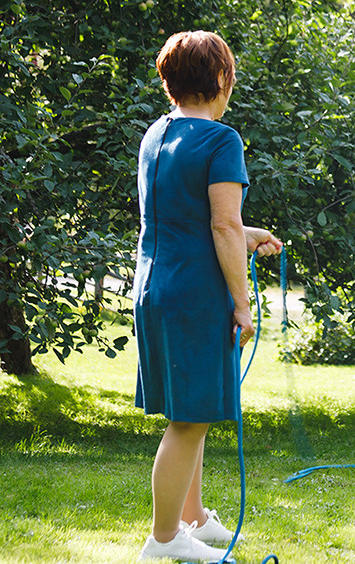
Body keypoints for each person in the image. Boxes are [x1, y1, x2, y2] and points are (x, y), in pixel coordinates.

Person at [132, 30, 283, 562]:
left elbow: (190, 221)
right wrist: (242, 304)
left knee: (188, 408)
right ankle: (165, 538)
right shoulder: (222, 141)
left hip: (155, 285)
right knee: (190, 418)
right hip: (195, 292)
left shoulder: (156, 134)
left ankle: (192, 517)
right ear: (221, 79)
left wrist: (250, 233)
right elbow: (221, 225)